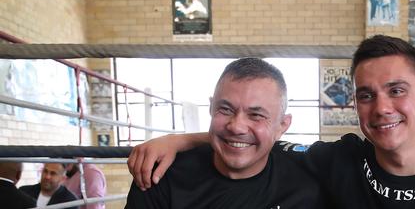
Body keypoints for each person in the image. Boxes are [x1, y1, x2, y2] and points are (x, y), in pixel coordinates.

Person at [129, 35, 415, 208]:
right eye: (366, 95)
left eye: (396, 90)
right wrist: (180, 140)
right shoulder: (340, 161)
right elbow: (251, 140)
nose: (381, 107)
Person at [125, 57, 324, 208]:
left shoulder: (307, 184)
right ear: (211, 107)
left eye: (256, 115)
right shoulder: (162, 176)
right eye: (225, 109)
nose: (236, 126)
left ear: (283, 125)